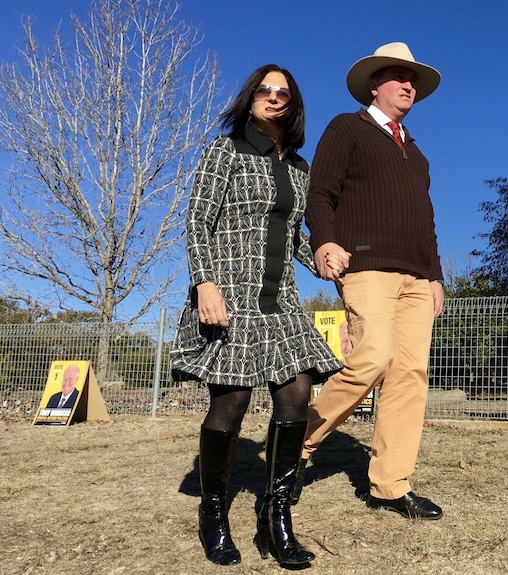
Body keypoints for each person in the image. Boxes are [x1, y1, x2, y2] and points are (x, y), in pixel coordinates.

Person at [170, 64, 342, 567]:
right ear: (249, 99)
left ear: (293, 104)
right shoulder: (225, 151)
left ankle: (276, 516)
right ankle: (214, 513)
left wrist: (325, 259)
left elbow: (296, 241)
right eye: (264, 90)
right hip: (229, 295)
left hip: (281, 300)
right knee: (232, 403)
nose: (272, 97)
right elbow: (198, 219)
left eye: (282, 92)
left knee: (296, 392)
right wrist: (204, 282)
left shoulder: (300, 170)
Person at [299, 42, 445, 520]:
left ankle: (390, 485)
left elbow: (426, 220)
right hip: (365, 268)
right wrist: (324, 241)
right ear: (374, 85)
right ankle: (297, 443)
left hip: (417, 279)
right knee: (371, 359)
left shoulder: (418, 154)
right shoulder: (347, 128)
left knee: (409, 378)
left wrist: (436, 277)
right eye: (400, 77)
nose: (409, 85)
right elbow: (319, 192)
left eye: (414, 80)